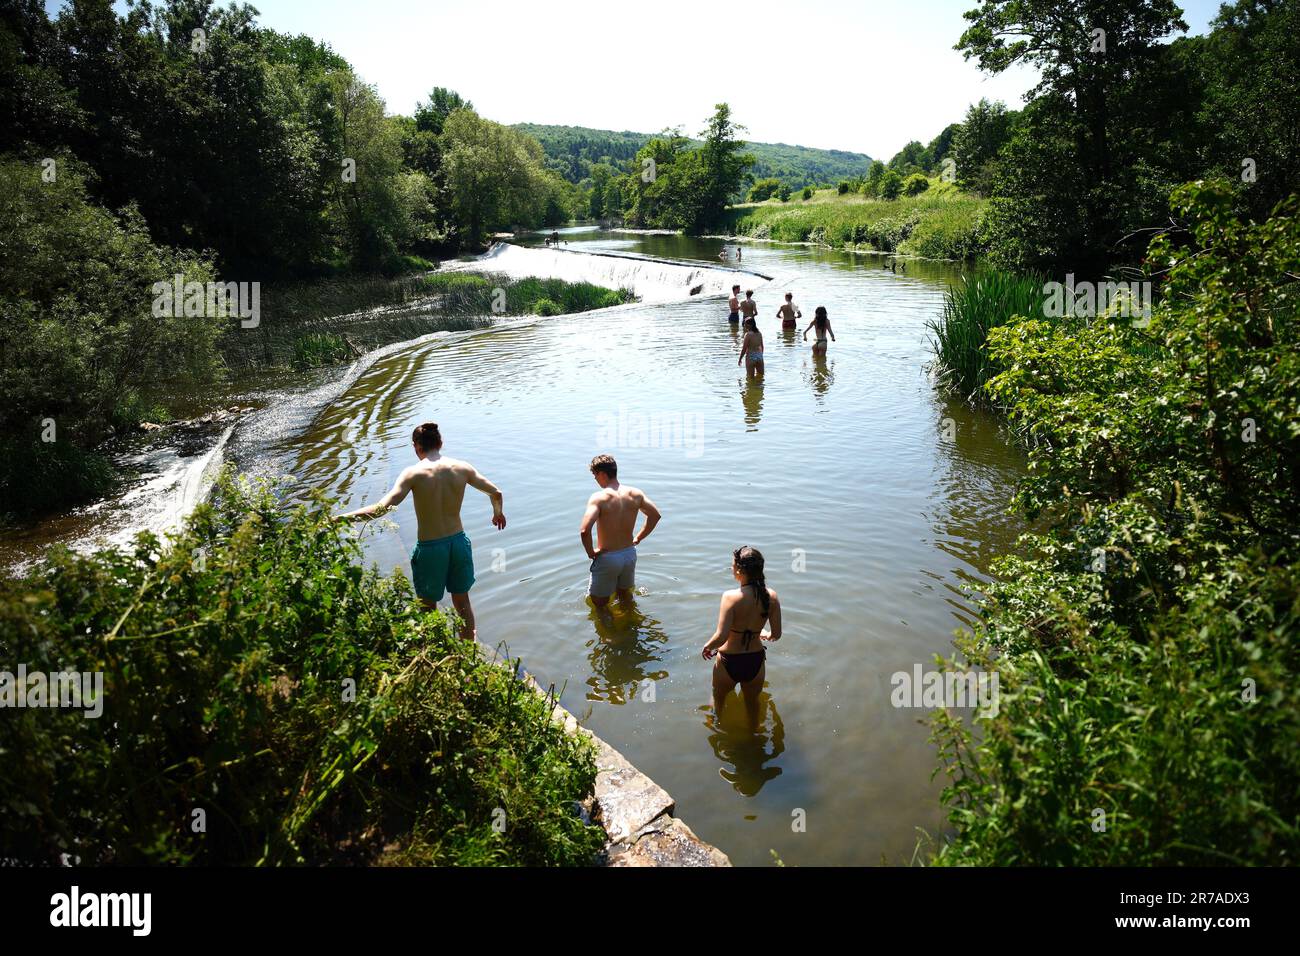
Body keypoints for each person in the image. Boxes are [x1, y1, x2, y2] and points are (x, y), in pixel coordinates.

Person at [337, 422, 505, 640]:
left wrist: (341, 519)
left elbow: (381, 509)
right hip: (458, 543)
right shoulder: (463, 468)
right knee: (462, 603)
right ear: (440, 443)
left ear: (416, 446)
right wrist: (497, 513)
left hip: (430, 549)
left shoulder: (413, 473)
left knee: (427, 606)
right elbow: (496, 492)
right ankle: (469, 657)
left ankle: (432, 652)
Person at [702, 546, 781, 728]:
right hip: (755, 661)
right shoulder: (772, 596)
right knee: (753, 705)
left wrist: (707, 646)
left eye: (732, 566)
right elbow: (776, 635)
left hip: (729, 660)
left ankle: (715, 731)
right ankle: (754, 736)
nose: (731, 569)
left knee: (718, 700)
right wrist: (763, 633)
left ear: (739, 570)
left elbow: (721, 637)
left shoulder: (730, 597)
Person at [579, 454, 661, 613]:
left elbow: (584, 531)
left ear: (602, 474)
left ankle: (609, 637)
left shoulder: (599, 498)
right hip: (629, 554)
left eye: (595, 476)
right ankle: (631, 627)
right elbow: (655, 515)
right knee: (625, 597)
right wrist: (638, 538)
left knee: (599, 604)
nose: (596, 480)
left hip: (608, 557)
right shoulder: (635, 493)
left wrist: (591, 553)